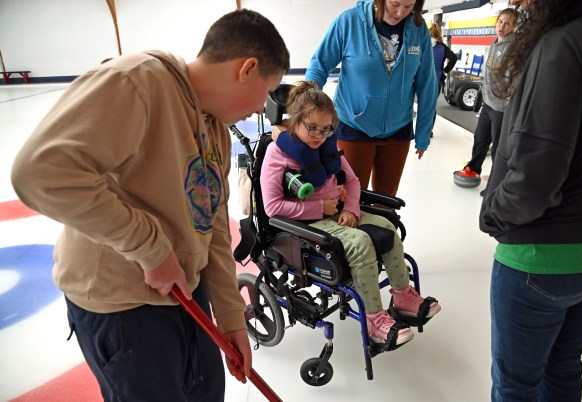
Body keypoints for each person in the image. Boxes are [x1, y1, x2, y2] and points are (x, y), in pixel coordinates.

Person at [11, 9, 289, 401]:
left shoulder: (216, 133)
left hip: (187, 297)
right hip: (124, 307)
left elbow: (214, 229)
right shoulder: (137, 81)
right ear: (247, 68)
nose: (261, 108)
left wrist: (230, 319)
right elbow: (41, 173)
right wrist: (151, 249)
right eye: (266, 91)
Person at [479, 1, 582, 400]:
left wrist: (494, 214)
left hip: (543, 258)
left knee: (516, 385)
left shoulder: (565, 43)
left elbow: (535, 180)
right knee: (563, 365)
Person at [260, 81, 441, 346]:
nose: (318, 136)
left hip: (337, 214)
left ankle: (402, 297)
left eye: (326, 129)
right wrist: (320, 208)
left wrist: (352, 209)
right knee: (359, 243)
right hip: (305, 224)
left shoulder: (327, 149)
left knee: (387, 225)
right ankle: (374, 319)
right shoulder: (277, 156)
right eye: (311, 128)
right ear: (294, 122)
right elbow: (272, 208)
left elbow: (353, 182)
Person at [305, 0, 437, 198]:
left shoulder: (418, 29)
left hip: (398, 128)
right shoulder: (349, 22)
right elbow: (319, 65)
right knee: (350, 197)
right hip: (354, 126)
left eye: (409, 6)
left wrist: (423, 134)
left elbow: (427, 84)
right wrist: (308, 107)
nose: (401, 12)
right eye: (395, 3)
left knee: (387, 198)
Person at [452, 8, 519, 194]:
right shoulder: (494, 43)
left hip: (501, 108)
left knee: (499, 146)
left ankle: (496, 185)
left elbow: (514, 80)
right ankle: (473, 168)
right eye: (500, 22)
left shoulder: (513, 49)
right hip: (488, 103)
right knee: (481, 138)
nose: (502, 26)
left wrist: (505, 98)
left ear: (513, 27)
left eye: (507, 23)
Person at [429, 22, 457, 137]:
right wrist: (445, 70)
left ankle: (420, 129)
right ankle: (429, 131)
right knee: (431, 107)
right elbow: (454, 58)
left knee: (422, 105)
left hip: (424, 81)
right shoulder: (443, 47)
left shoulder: (424, 44)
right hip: (437, 81)